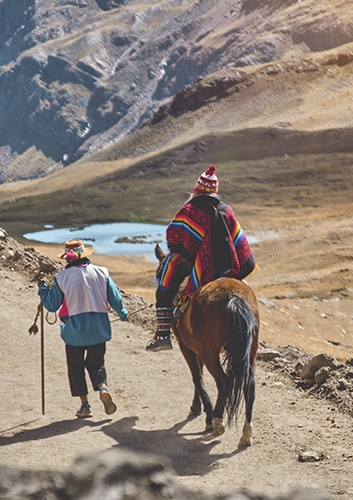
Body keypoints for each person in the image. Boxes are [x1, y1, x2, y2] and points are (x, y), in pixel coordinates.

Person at [146, 164, 256, 352]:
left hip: (199, 269)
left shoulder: (188, 210)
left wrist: (187, 251)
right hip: (228, 269)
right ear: (215, 191)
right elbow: (239, 242)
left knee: (164, 289)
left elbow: (173, 238)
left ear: (197, 189)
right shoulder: (226, 210)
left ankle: (163, 335)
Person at [38, 239, 129, 418]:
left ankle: (85, 406)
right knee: (97, 363)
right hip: (98, 329)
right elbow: (116, 300)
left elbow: (51, 305)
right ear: (84, 255)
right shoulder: (102, 273)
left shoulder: (62, 278)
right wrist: (124, 314)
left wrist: (42, 288)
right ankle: (103, 388)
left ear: (67, 258)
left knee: (76, 366)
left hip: (74, 332)